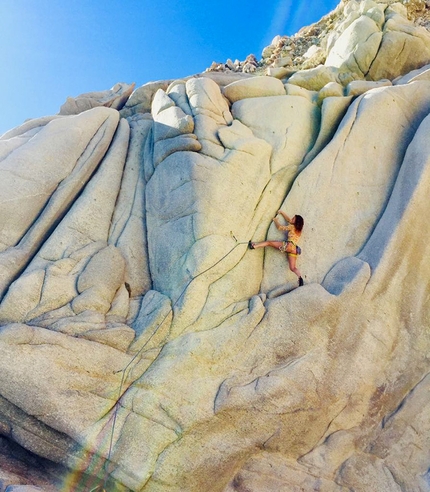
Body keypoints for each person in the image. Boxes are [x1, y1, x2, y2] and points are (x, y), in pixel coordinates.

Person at [249, 210, 304, 286]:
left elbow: (280, 227)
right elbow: (289, 220)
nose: (292, 219)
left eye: (294, 218)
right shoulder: (299, 230)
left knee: (269, 243)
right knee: (293, 268)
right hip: (294, 250)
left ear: (296, 221)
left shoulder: (292, 227)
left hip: (288, 246)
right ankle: (300, 278)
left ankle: (254, 246)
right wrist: (282, 212)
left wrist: (275, 220)